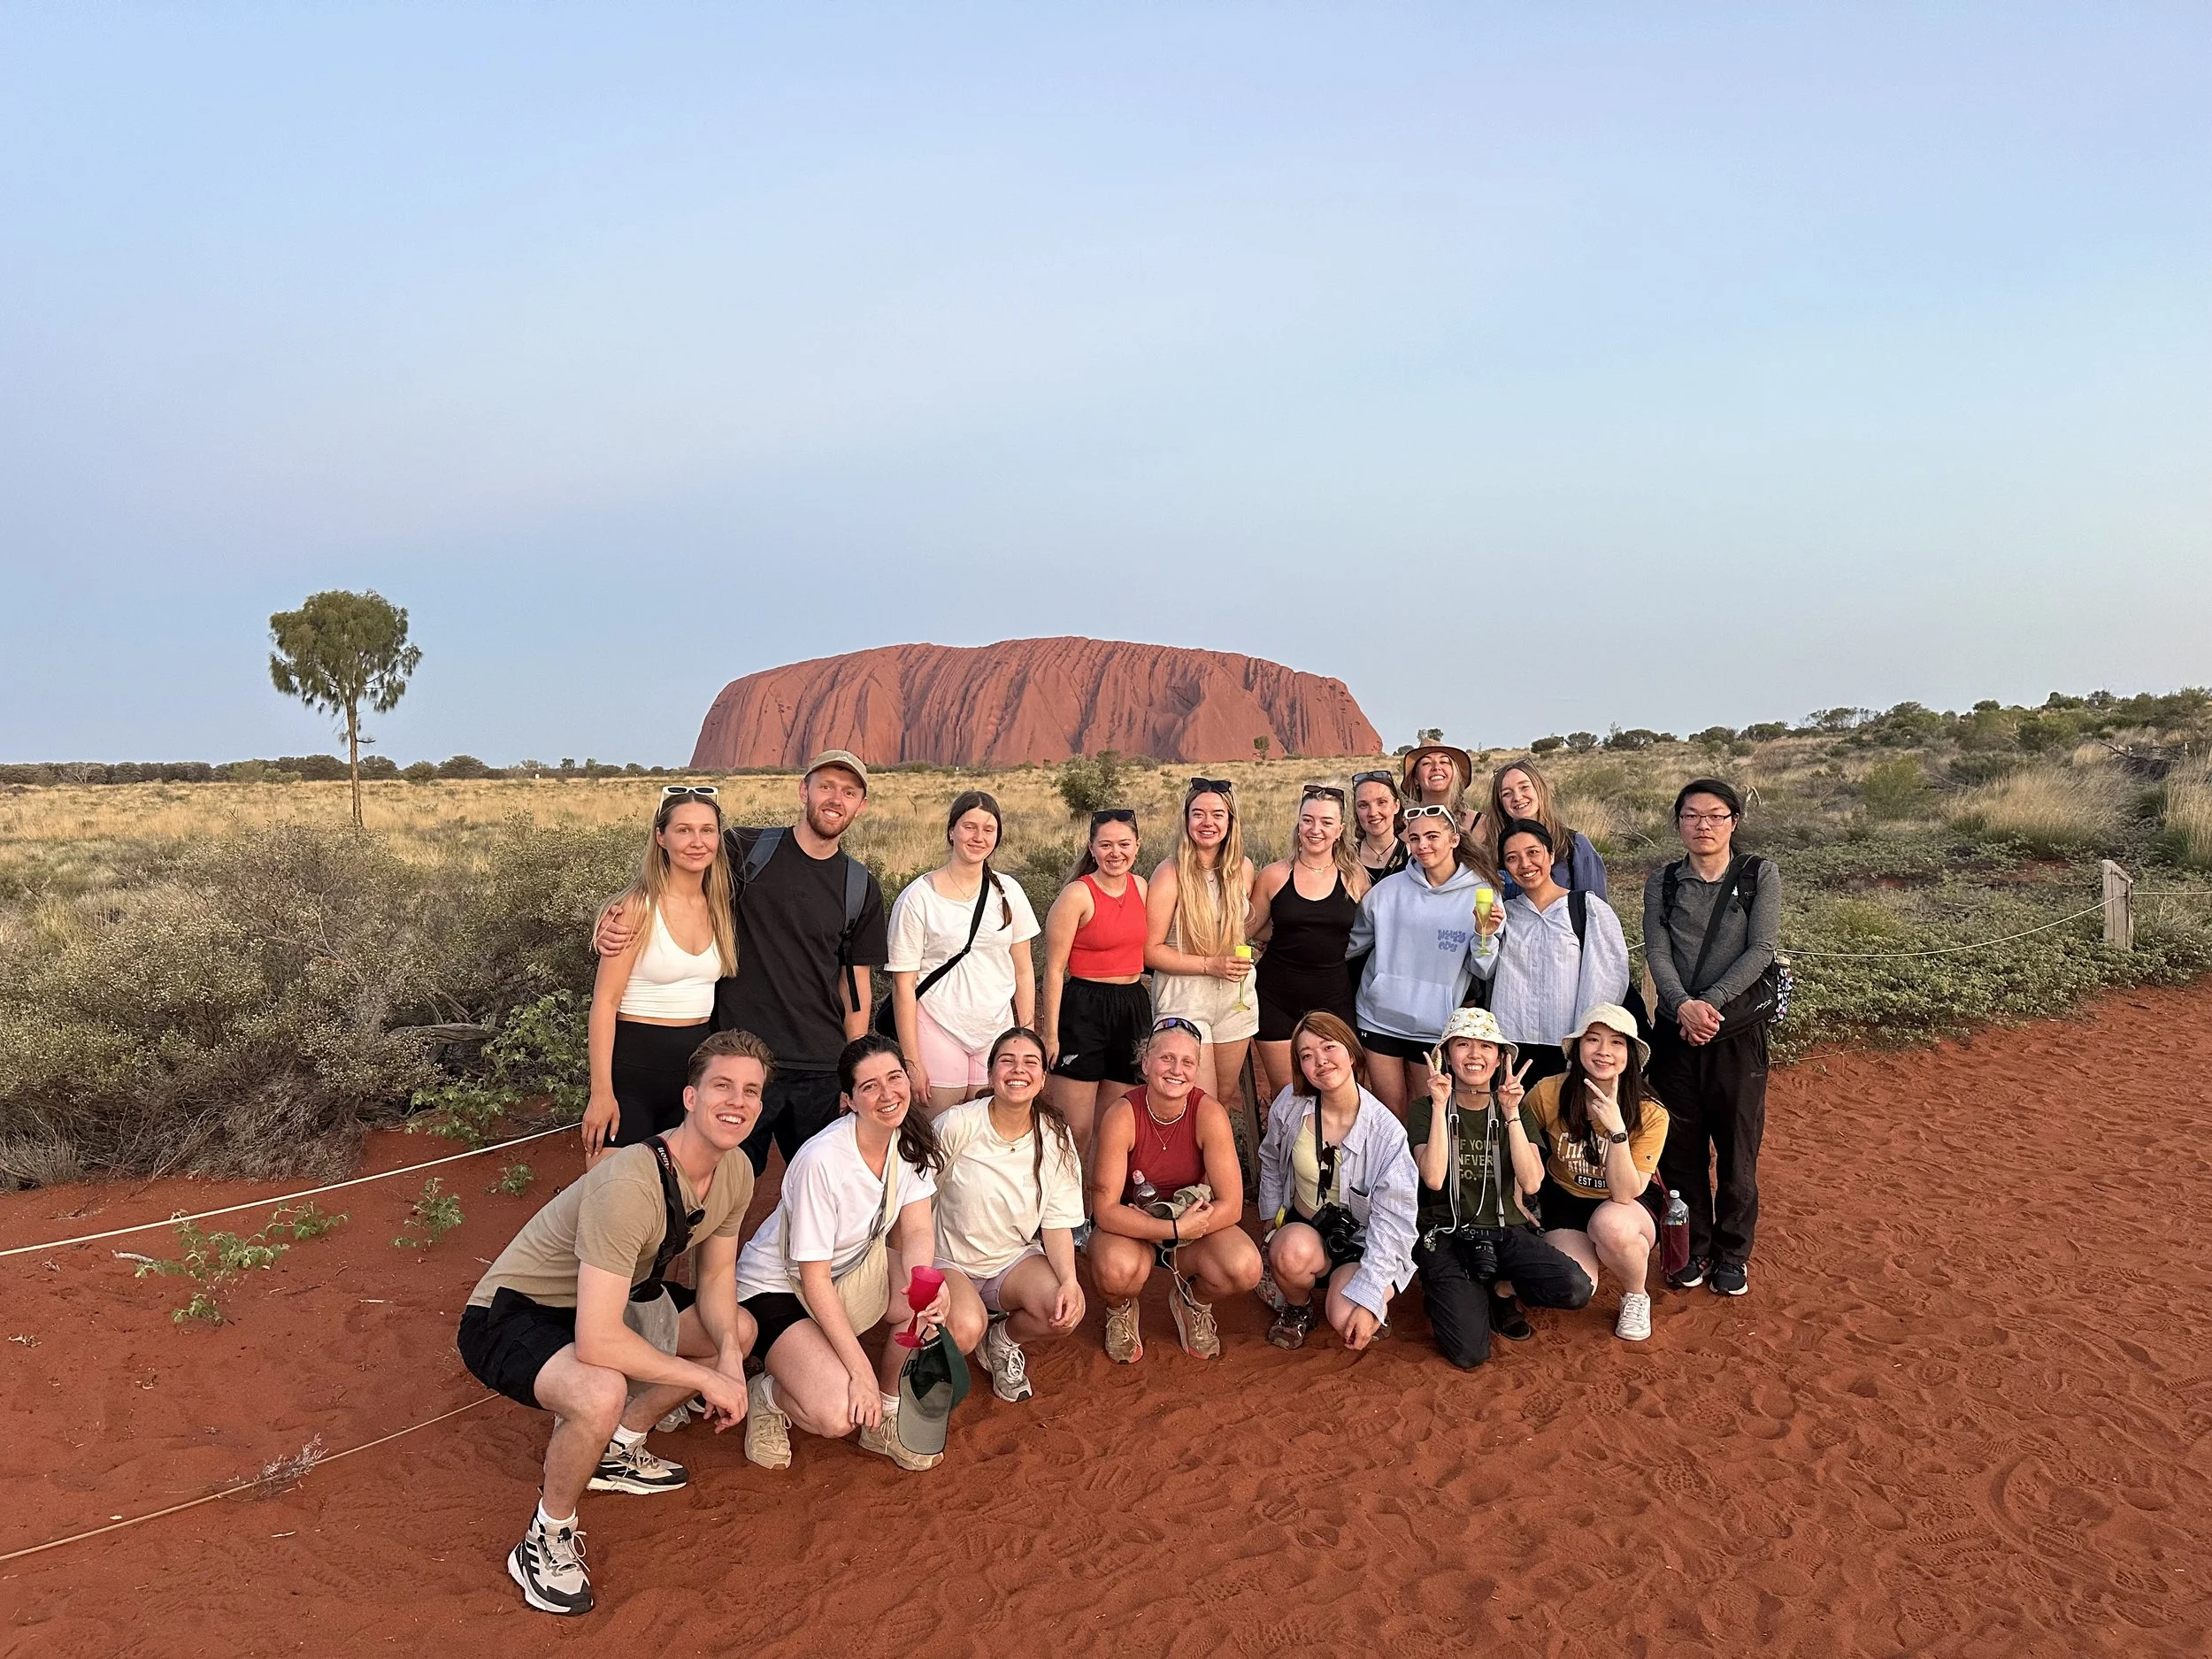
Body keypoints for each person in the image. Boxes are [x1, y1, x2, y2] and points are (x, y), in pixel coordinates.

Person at [457, 1030, 766, 1617]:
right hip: (512, 1313)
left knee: (739, 1329)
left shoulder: (736, 1173)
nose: (738, 1101)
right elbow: (598, 1339)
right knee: (600, 1389)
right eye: (723, 1085)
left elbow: (719, 1279)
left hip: (606, 1301)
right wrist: (706, 1381)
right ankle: (546, 1535)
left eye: (751, 1090)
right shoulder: (631, 1181)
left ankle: (617, 1449)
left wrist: (727, 1355)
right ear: (691, 1097)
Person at [595, 750, 888, 1176]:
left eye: (848, 792)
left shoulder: (859, 885)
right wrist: (615, 913)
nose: (835, 799)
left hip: (819, 1069)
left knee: (822, 1185)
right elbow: (680, 869)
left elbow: (855, 987)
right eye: (825, 786)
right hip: (739, 1063)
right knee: (715, 1187)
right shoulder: (747, 850)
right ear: (803, 790)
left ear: (860, 805)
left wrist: (851, 1071)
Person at [734, 1033, 985, 1473]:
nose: (888, 1094)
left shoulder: (905, 1140)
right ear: (848, 1100)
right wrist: (860, 1374)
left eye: (894, 1077)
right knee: (838, 1412)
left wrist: (924, 1286)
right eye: (870, 1086)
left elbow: (918, 1227)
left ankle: (884, 1418)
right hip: (779, 1287)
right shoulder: (822, 1161)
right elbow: (813, 1280)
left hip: (851, 1270)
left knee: (940, 1314)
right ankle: (768, 1394)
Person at [1642, 778, 1782, 1299]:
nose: (1704, 825)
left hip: (1735, 1032)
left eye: (1715, 815)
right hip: (1676, 1033)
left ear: (1734, 822)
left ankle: (1732, 1253)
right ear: (1679, 822)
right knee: (1681, 1150)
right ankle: (1694, 1244)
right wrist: (1682, 1006)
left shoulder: (1757, 874)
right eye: (1692, 815)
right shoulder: (1666, 881)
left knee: (1737, 1148)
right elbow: (1657, 950)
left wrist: (1711, 1003)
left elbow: (1762, 947)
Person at [1406, 1008, 1594, 1368]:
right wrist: (1443, 1106)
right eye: (1463, 1044)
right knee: (1469, 1353)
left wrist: (1509, 1114)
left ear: (1500, 1059)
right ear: (1447, 1055)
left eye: (1486, 1047)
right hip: (1446, 1231)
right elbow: (1433, 1177)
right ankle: (1452, 1292)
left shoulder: (1515, 1110)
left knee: (1574, 1286)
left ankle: (1498, 1290)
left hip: (1505, 1230)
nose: (1474, 1055)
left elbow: (1532, 1181)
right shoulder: (1425, 1109)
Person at [1087, 1017, 1264, 1362]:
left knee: (1244, 1268)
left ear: (1197, 1069)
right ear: (1146, 1062)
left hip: (1191, 1229)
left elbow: (1232, 1206)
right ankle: (1120, 1309)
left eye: (1187, 1062)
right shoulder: (1123, 1114)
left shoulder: (1208, 1112)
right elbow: (1106, 1210)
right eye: (1167, 1058)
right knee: (1116, 1270)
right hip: (1132, 1230)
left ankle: (1192, 1301)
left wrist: (1182, 1229)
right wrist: (1167, 1229)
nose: (1176, 1070)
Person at [580, 787, 738, 1161]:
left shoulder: (720, 907)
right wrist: (601, 1093)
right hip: (633, 1072)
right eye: (683, 830)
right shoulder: (636, 909)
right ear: (661, 837)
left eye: (707, 830)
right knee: (614, 1197)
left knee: (683, 1200)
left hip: (695, 1073)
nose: (697, 842)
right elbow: (605, 1002)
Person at [933, 1028, 1086, 1402]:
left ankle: (1001, 1342)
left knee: (1063, 1311)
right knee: (966, 1328)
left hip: (1010, 1259)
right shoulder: (957, 1124)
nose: (1019, 1070)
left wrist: (1069, 1280)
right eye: (1007, 1061)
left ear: (1043, 1078)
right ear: (990, 1074)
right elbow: (915, 1198)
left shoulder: (1055, 1136)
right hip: (949, 1258)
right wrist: (916, 1269)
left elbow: (1057, 1221)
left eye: (1030, 1062)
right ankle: (939, 1351)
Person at [1255, 1011, 1417, 1351]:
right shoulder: (1290, 1104)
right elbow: (1270, 1158)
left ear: (1352, 1052)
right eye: (1307, 1056)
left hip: (1360, 1242)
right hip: (1305, 1228)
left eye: (1329, 1047)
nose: (1320, 1061)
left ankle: (1358, 1293)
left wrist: (1371, 1295)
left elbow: (1395, 1225)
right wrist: (1271, 1216)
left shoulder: (1387, 1135)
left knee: (1347, 1318)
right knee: (1289, 1251)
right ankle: (1298, 1309)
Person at [1520, 1004, 1670, 1342]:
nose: (1604, 1052)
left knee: (1610, 1226)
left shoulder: (1650, 1111)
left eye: (1617, 1043)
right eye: (1593, 1040)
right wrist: (1517, 1199)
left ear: (1630, 1054)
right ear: (1578, 1048)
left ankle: (1635, 1294)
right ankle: (1590, 1251)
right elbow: (1516, 1144)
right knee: (1572, 1285)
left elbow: (1624, 1194)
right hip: (1566, 1200)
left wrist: (1617, 1130)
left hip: (1625, 1204)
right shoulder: (1548, 1092)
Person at [887, 791, 1040, 1117]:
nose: (979, 837)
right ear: (951, 830)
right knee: (937, 1132)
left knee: (990, 1129)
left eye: (988, 829)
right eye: (970, 827)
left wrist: (1025, 1036)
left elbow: (1023, 969)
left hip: (996, 1026)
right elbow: (903, 985)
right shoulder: (918, 898)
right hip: (937, 1024)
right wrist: (912, 1062)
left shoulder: (1009, 891)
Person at [1345, 804, 1489, 1116]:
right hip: (1379, 1018)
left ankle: (1426, 1168)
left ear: (1454, 840)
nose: (1422, 846)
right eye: (1415, 838)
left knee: (1427, 1113)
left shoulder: (1480, 893)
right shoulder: (1387, 890)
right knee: (1390, 1111)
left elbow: (1483, 967)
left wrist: (1483, 935)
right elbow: (1351, 944)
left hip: (1435, 1027)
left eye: (1432, 836)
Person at [1471, 819, 1630, 1092]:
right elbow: (1484, 971)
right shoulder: (1507, 913)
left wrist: (1584, 1043)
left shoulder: (1586, 908)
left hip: (1567, 1048)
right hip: (1513, 1047)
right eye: (1512, 858)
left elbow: (1605, 980)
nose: (1525, 864)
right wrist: (1484, 934)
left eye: (1533, 852)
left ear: (1551, 855)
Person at [1144, 778, 1258, 1141]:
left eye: (1217, 814)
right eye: (1198, 814)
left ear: (1230, 822)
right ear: (1186, 820)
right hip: (1184, 999)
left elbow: (1245, 928)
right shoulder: (1170, 873)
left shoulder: (1243, 869)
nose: (1207, 822)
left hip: (1235, 1002)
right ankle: (1184, 1184)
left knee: (1221, 1101)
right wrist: (1211, 965)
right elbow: (1151, 950)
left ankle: (1210, 1188)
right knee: (1197, 1102)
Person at [1039, 809, 1149, 1173]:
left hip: (1132, 1007)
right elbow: (1054, 969)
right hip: (1084, 1007)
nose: (1115, 853)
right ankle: (1063, 1218)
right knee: (1076, 1129)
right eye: (1106, 845)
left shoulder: (1143, 887)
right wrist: (1050, 1035)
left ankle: (1097, 1213)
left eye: (1124, 844)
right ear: (1092, 847)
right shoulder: (1078, 895)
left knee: (1112, 1127)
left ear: (1137, 845)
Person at [1248, 783, 1369, 1104]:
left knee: (1339, 1092)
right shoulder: (1274, 875)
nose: (1316, 830)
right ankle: (1284, 1155)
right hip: (1275, 998)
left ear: (1340, 829)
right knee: (1287, 1096)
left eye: (1326, 822)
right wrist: (1287, 936)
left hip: (1333, 997)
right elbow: (1250, 927)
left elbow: (1367, 934)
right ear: (1298, 823)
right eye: (1308, 820)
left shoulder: (1354, 877)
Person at [1483, 760, 1608, 902]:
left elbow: (1596, 910)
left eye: (1524, 787)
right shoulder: (1492, 852)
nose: (1517, 797)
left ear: (1539, 789)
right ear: (1500, 803)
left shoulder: (1575, 846)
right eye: (1507, 794)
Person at [1401, 741, 1478, 836]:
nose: (1436, 767)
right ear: (1415, 779)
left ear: (1456, 774)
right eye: (1426, 763)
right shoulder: (1401, 828)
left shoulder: (1480, 823)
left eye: (1444, 762)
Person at [1350, 769, 1408, 887]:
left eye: (1381, 802)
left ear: (1396, 806)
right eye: (1363, 805)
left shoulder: (1416, 857)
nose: (1373, 813)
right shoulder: (1345, 859)